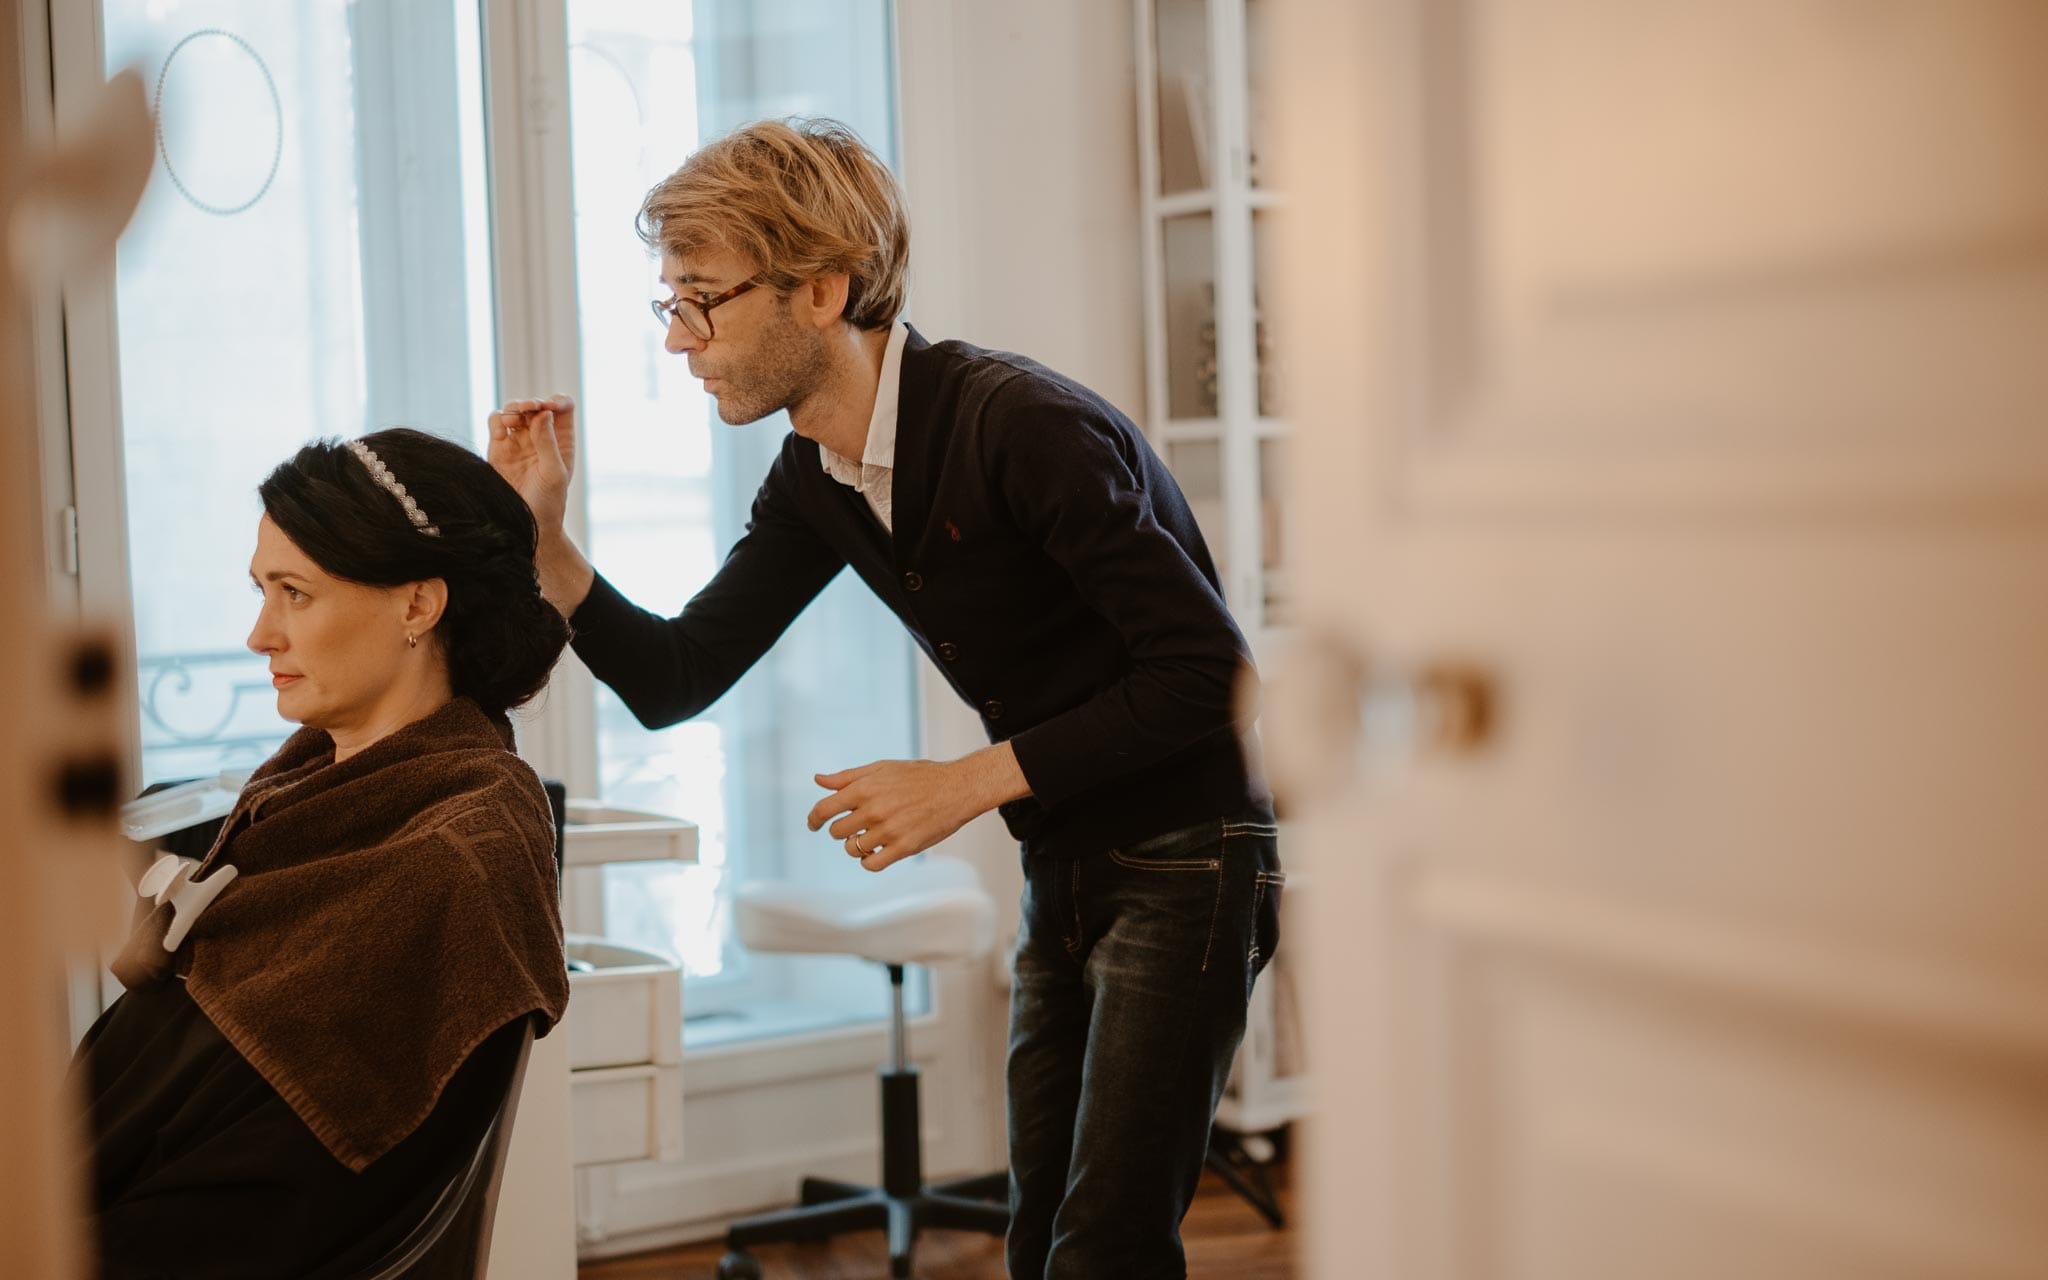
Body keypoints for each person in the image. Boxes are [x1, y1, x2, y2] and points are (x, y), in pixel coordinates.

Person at [489, 118, 1283, 1278]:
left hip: (1189, 855)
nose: (681, 340)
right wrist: (549, 547)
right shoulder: (818, 475)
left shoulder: (1020, 426)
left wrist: (963, 782)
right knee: (1041, 1239)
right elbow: (675, 676)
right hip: (1065, 857)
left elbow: (1212, 677)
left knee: (1103, 1246)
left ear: (822, 287)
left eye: (702, 300)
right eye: (671, 304)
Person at [72, 427, 573, 1280]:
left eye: (294, 594)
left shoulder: (450, 862)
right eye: (263, 591)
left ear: (418, 604)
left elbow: (258, 1211)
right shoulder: (302, 799)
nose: (259, 634)